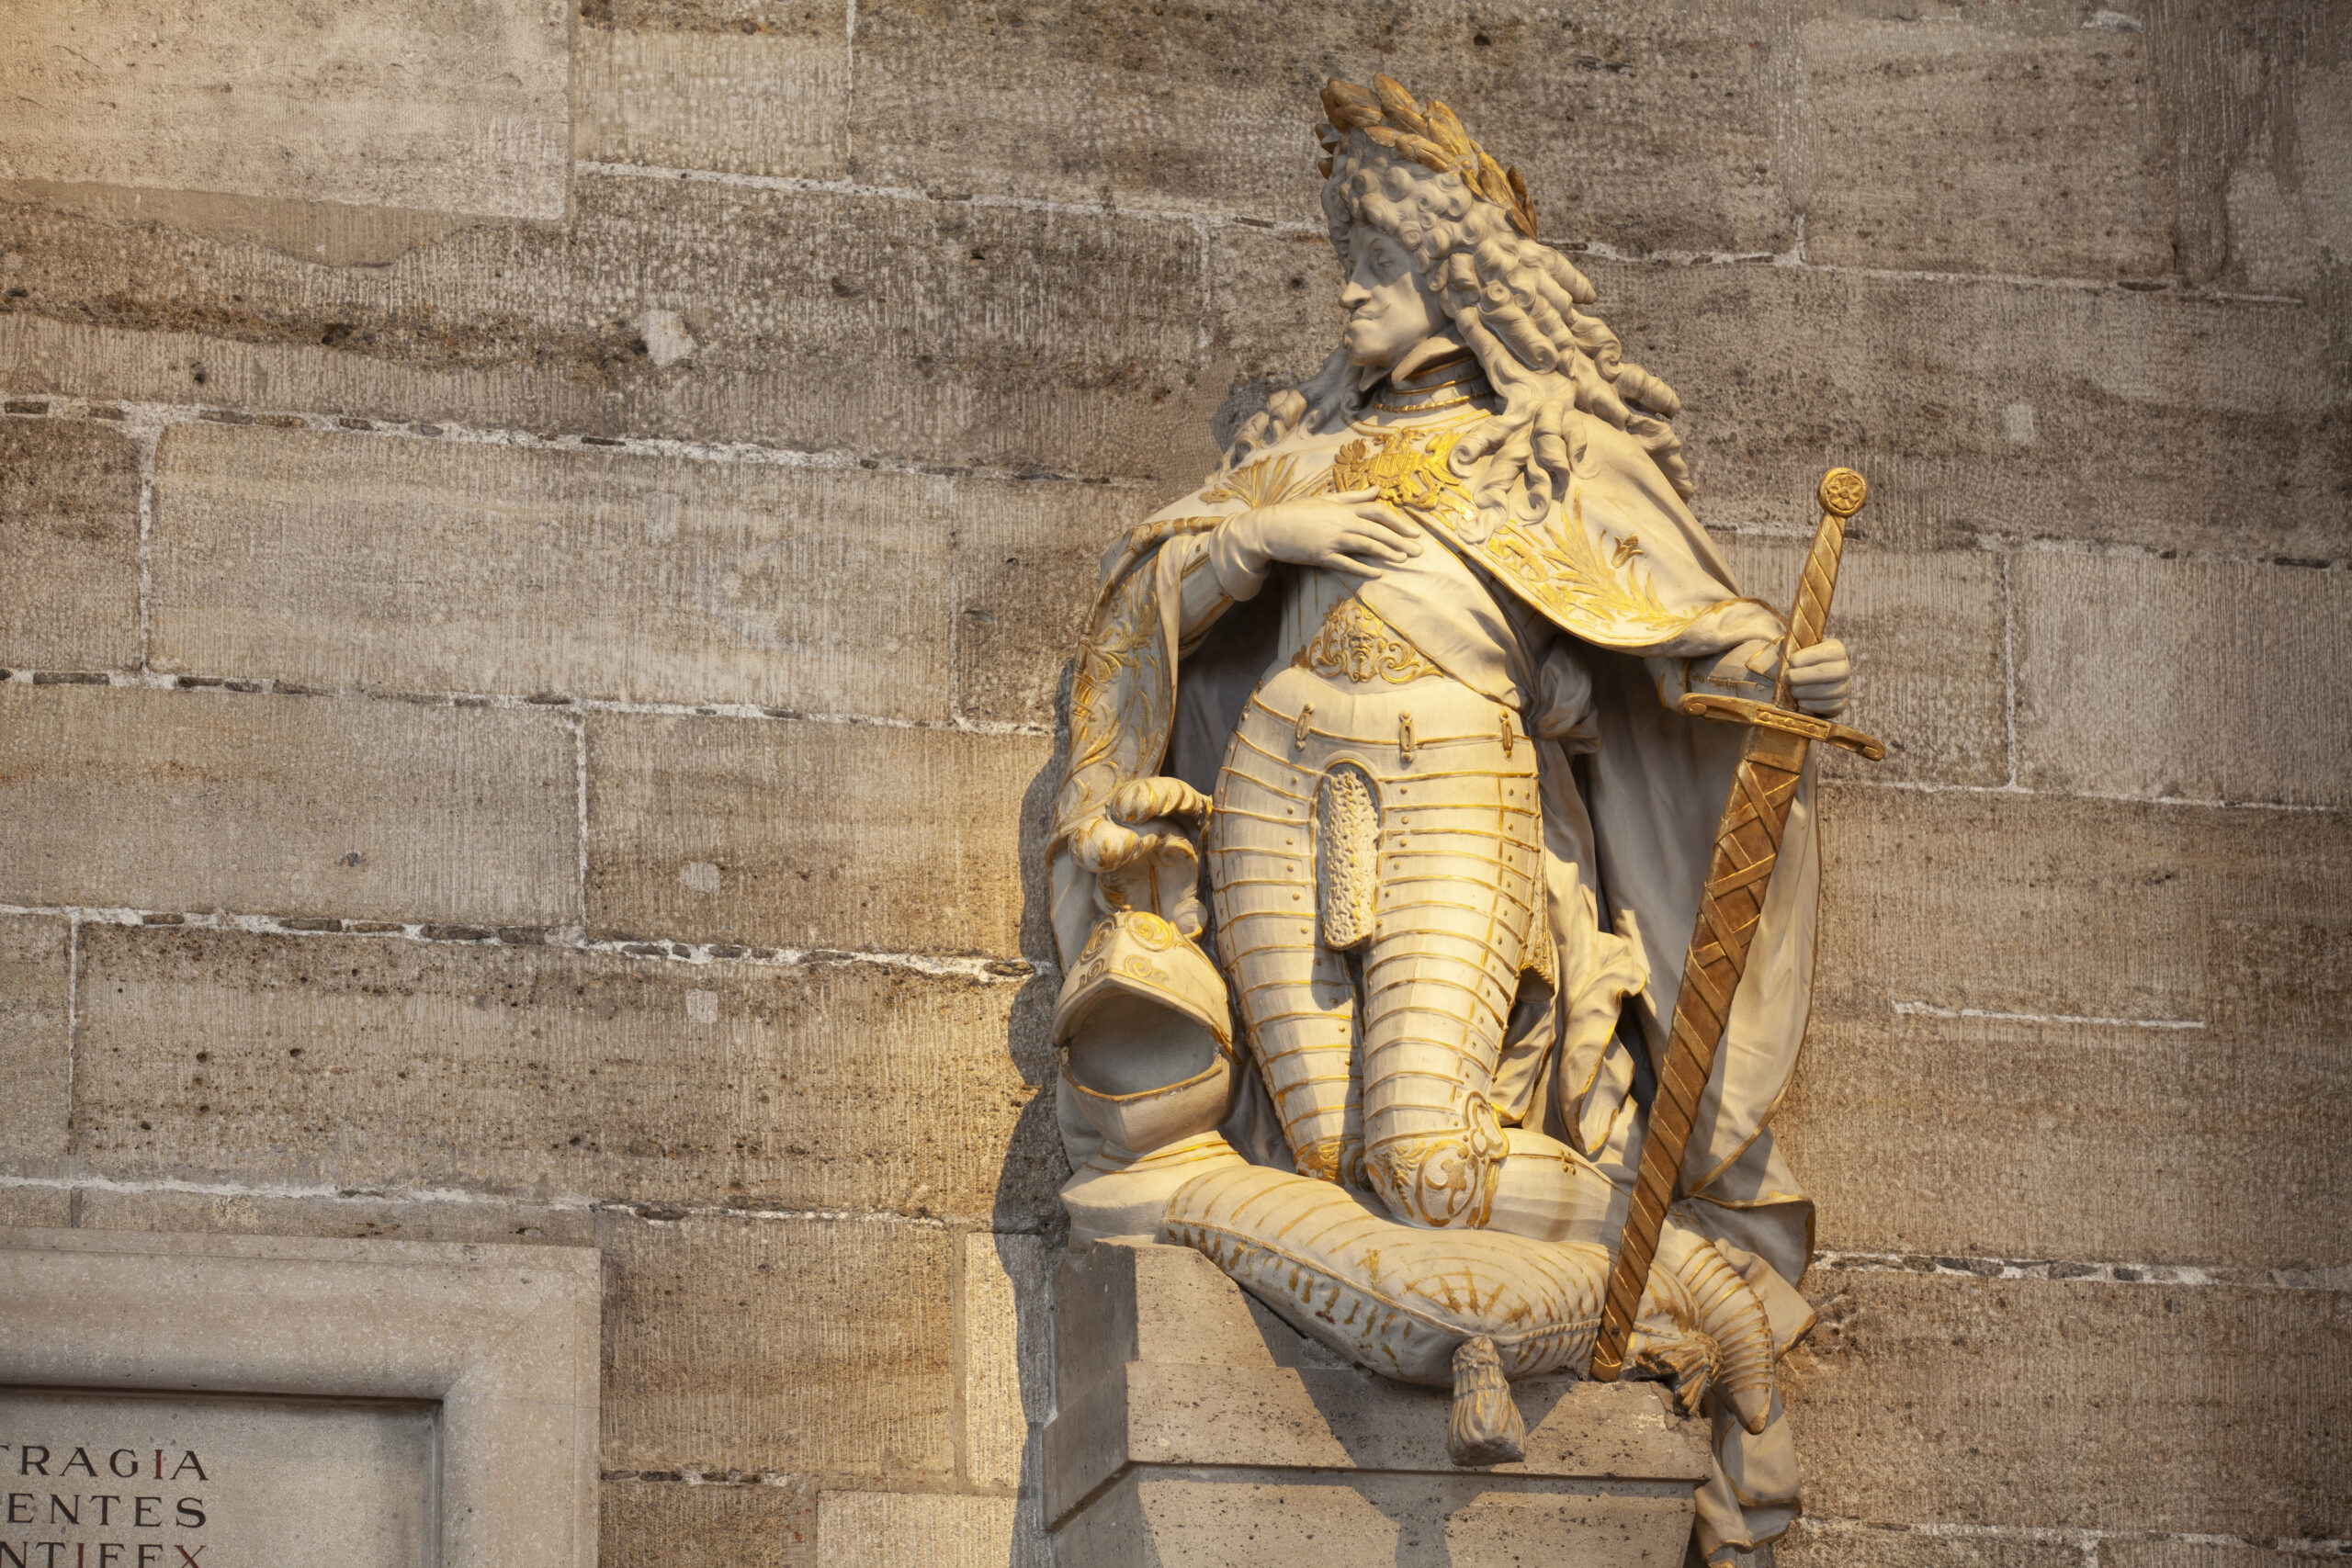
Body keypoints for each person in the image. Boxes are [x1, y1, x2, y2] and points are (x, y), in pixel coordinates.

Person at [1045, 73, 1846, 1561]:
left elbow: (1675, 628)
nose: (1351, 289)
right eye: (1347, 259)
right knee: (1327, 1164)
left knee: (1430, 1169)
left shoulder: (1548, 459)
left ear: (1460, 281)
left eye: (1381, 262)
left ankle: (1698, 1297)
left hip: (1457, 775)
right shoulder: (1301, 457)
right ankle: (1483, 1321)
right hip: (1278, 779)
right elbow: (1140, 616)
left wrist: (1775, 670)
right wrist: (1259, 540)